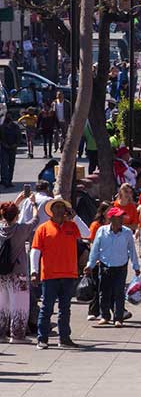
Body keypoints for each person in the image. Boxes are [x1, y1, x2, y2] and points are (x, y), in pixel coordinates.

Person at [30, 197, 81, 349]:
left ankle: (64, 339)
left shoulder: (72, 226)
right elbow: (35, 251)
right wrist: (34, 271)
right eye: (56, 207)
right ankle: (42, 339)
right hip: (50, 275)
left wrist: (76, 217)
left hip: (68, 274)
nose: (59, 210)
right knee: (47, 308)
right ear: (51, 211)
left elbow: (86, 233)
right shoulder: (43, 228)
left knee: (65, 309)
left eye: (61, 208)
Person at [84, 206, 140, 327]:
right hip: (105, 266)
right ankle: (105, 316)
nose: (121, 220)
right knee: (104, 292)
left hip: (121, 266)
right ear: (111, 218)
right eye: (118, 217)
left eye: (121, 217)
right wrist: (90, 265)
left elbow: (132, 250)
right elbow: (95, 250)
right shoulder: (101, 231)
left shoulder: (127, 232)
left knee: (119, 293)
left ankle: (118, 317)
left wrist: (136, 266)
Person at [0, 202, 37, 342]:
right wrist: (33, 205)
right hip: (18, 273)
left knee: (2, 304)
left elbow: (6, 216)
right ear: (17, 215)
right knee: (19, 304)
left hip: (1, 274)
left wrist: (18, 199)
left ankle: (0, 334)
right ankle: (17, 335)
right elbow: (35, 219)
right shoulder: (21, 229)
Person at [0, 115, 20, 187]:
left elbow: (19, 137)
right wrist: (4, 145)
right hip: (4, 148)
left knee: (11, 165)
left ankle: (9, 181)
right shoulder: (2, 127)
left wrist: (15, 144)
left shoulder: (16, 127)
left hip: (12, 148)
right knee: (4, 165)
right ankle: (4, 181)